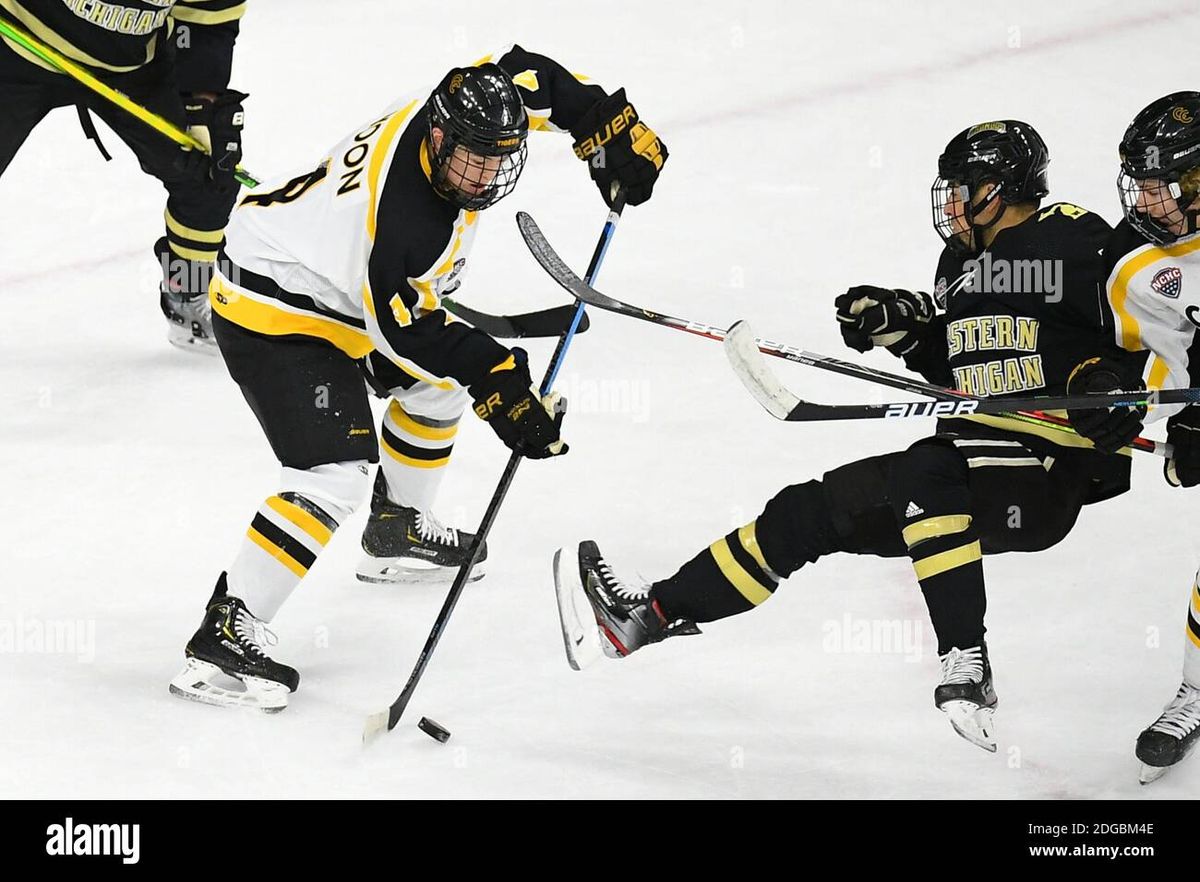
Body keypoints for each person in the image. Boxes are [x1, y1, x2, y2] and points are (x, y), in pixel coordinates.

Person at [555, 120, 1135, 752]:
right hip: (967, 464)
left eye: (961, 188)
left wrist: (1108, 384)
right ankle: (647, 617)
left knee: (925, 470)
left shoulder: (1073, 240)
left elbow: (1147, 329)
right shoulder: (959, 264)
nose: (949, 202)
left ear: (997, 189)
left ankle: (966, 662)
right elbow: (963, 368)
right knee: (805, 513)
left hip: (1046, 471)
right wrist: (905, 332)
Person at [169, 45, 667, 711]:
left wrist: (604, 128)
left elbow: (529, 75)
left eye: (499, 157)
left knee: (433, 388)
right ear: (439, 137)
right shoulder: (406, 222)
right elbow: (408, 331)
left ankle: (398, 526)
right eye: (472, 158)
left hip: (330, 285)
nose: (485, 174)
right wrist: (502, 383)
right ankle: (223, 635)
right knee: (332, 472)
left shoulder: (463, 100)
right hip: (274, 309)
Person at [1066, 91, 1200, 782]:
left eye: (1162, 189)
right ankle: (1198, 691)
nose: (1145, 205)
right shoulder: (1132, 261)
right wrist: (1117, 397)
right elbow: (1154, 355)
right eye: (1139, 188)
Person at [0, 0, 249, 352]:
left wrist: (201, 105)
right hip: (20, 42)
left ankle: (187, 293)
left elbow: (208, 23)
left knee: (209, 170)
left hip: (132, 65)